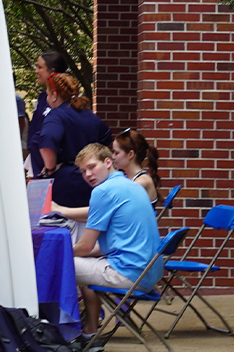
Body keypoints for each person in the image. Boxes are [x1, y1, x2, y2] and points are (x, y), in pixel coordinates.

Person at [71, 143, 162, 335]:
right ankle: (90, 329)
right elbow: (103, 247)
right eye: (83, 171)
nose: (88, 174)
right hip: (149, 274)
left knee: (53, 264)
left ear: (108, 162)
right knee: (83, 265)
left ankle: (59, 330)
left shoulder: (102, 192)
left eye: (92, 167)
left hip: (129, 274)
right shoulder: (134, 185)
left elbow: (85, 246)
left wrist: (59, 252)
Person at [38, 73, 112, 213]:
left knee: (66, 230)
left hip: (66, 185)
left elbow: (47, 141)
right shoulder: (90, 115)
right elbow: (107, 142)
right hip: (93, 183)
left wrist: (50, 168)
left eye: (47, 94)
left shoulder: (56, 115)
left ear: (54, 95)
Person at [53, 129, 163, 220]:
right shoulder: (127, 179)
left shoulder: (141, 182)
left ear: (130, 154)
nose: (113, 157)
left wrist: (61, 210)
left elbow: (103, 209)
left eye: (116, 153)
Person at [27, 51, 69, 178]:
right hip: (37, 163)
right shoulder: (41, 98)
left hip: (53, 168)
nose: (36, 71)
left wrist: (50, 164)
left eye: (40, 67)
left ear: (52, 72)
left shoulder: (67, 101)